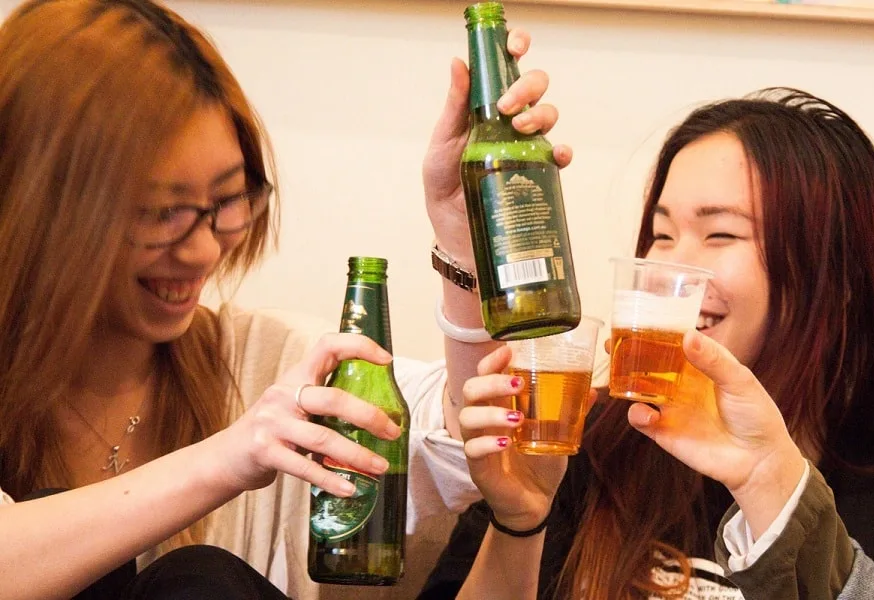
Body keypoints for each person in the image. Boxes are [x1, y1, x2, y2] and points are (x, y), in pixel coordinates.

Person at [0, 0, 567, 598]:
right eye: (162, 213)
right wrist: (227, 459)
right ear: (41, 202)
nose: (200, 252)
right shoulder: (262, 420)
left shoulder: (257, 362)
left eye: (226, 202)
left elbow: (454, 440)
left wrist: (460, 229)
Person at [420, 88, 874, 598]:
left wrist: (770, 484)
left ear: (837, 278)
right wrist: (519, 521)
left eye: (720, 235)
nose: (670, 265)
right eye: (662, 233)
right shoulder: (575, 441)